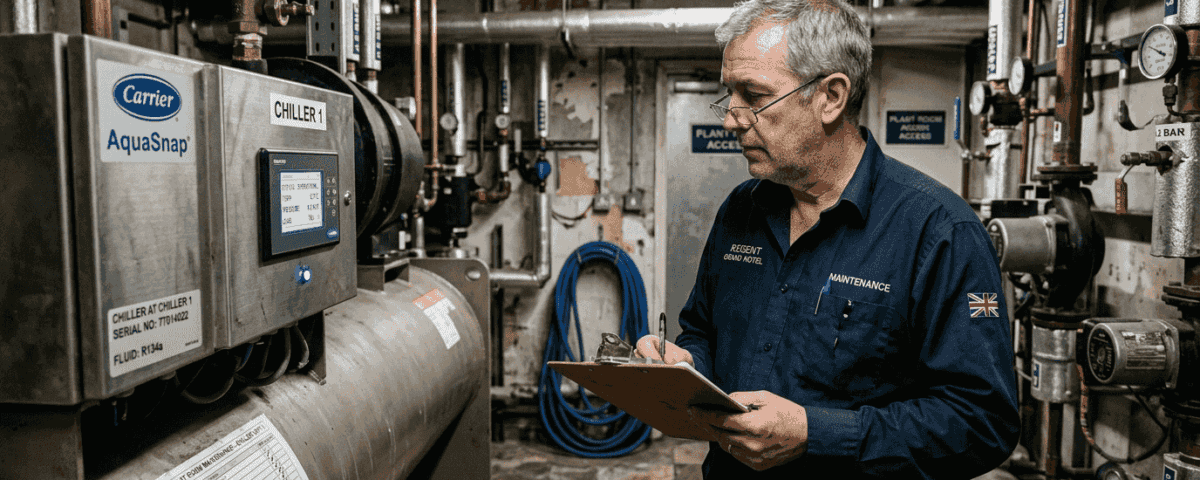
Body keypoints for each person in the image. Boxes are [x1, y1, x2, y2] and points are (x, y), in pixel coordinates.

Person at [634, 0, 1020, 477]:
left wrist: (817, 435)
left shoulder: (939, 232)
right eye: (729, 95)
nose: (731, 119)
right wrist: (685, 366)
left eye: (753, 95)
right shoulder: (741, 209)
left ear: (831, 97)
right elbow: (703, 328)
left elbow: (983, 423)